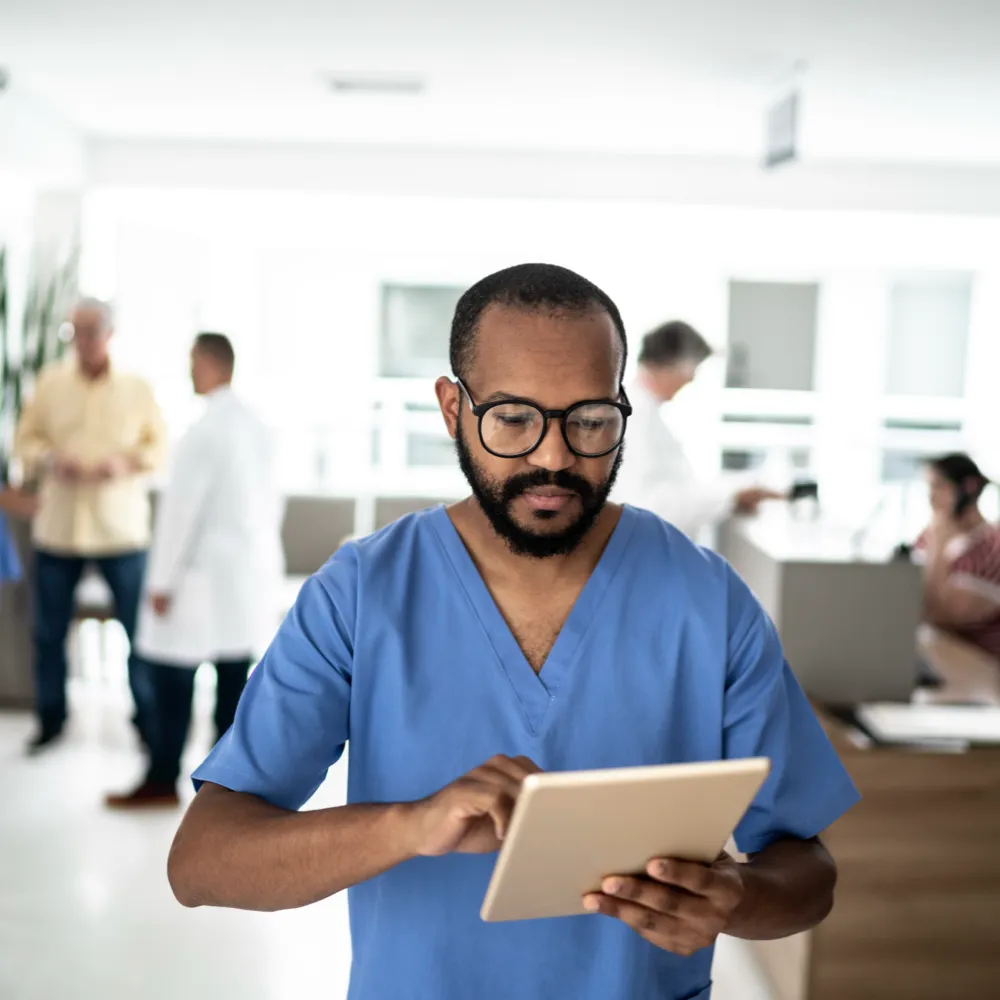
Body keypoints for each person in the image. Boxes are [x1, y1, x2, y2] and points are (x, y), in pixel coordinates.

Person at [167, 264, 858, 1000]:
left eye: (589, 419)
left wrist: (736, 901)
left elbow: (807, 871)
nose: (555, 456)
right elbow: (202, 862)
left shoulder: (708, 602)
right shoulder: (363, 594)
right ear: (452, 408)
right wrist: (407, 826)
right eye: (514, 418)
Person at [106, 333, 284, 808]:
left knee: (172, 678)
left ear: (209, 364)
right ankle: (224, 791)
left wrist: (161, 580)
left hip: (200, 573)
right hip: (245, 573)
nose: (189, 371)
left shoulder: (204, 430)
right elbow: (272, 503)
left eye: (191, 362)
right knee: (232, 679)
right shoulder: (258, 426)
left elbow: (180, 512)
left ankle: (162, 778)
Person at [13, 298, 166, 753]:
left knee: (138, 634)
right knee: (48, 631)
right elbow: (24, 441)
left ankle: (147, 720)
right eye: (74, 333)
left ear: (108, 335)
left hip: (121, 531)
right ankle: (51, 719)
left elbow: (160, 449)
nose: (81, 342)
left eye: (90, 332)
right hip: (59, 529)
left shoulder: (137, 388)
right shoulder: (50, 383)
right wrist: (50, 459)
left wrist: (125, 462)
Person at [613, 320, 785, 540]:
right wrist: (728, 496)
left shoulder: (644, 410)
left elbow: (672, 485)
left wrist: (729, 493)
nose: (692, 378)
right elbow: (646, 506)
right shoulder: (635, 417)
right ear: (671, 364)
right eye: (693, 367)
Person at [916, 453, 1000, 662]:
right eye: (929, 488)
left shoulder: (993, 545)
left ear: (968, 487)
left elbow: (941, 616)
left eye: (938, 487)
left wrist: (939, 548)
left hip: (981, 669)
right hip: (938, 658)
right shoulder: (927, 536)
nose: (931, 498)